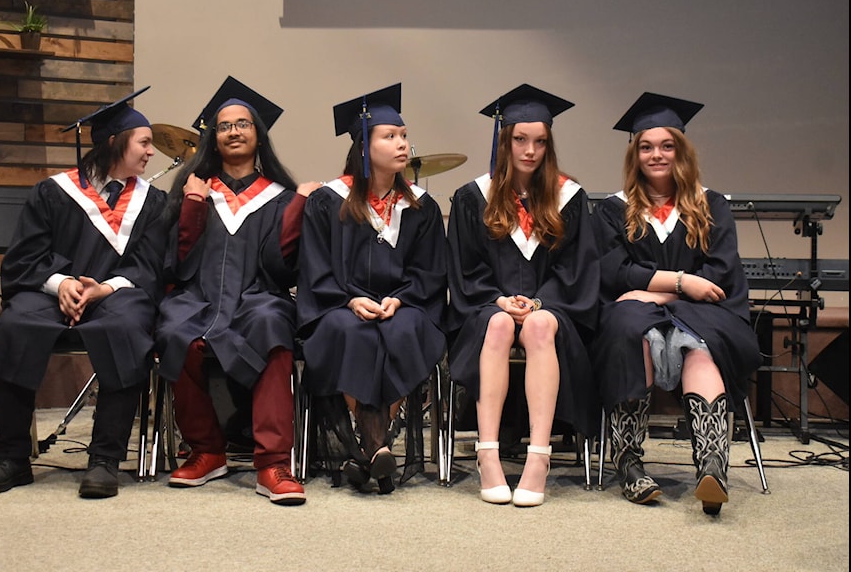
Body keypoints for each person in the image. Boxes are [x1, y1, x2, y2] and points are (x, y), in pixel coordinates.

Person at [0, 88, 168, 499]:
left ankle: (104, 460)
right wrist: (62, 283)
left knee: (128, 326)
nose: (152, 152)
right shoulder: (53, 192)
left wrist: (105, 287)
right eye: (144, 143)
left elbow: (151, 264)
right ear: (115, 142)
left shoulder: (153, 202)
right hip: (50, 291)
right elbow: (25, 257)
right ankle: (11, 457)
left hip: (117, 294)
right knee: (14, 324)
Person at [590, 92, 762, 516]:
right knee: (632, 331)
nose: (657, 155)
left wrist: (659, 291)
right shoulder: (614, 210)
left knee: (701, 343)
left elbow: (718, 277)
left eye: (667, 146)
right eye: (646, 147)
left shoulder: (711, 205)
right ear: (634, 154)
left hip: (702, 312)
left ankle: (711, 467)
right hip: (637, 312)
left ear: (681, 150)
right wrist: (685, 284)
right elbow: (613, 272)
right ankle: (629, 463)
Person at [154, 76, 320, 506]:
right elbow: (177, 264)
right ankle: (207, 451)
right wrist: (192, 206)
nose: (233, 131)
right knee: (175, 334)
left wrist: (299, 208)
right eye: (224, 125)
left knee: (272, 327)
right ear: (213, 137)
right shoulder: (196, 191)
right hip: (198, 298)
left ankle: (272, 463)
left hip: (258, 296)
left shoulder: (280, 197)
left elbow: (283, 268)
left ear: (258, 136)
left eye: (242, 124)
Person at [446, 84, 599, 507]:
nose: (530, 150)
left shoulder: (569, 197)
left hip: (552, 310)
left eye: (539, 142)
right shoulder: (472, 197)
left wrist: (538, 303)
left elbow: (576, 271)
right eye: (520, 140)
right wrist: (498, 300)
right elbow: (465, 268)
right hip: (486, 308)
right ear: (504, 140)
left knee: (540, 325)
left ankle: (539, 456)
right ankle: (488, 453)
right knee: (497, 325)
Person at [295, 83, 448, 494]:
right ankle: (377, 444)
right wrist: (349, 298)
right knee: (349, 330)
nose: (402, 144)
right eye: (390, 136)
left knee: (403, 331)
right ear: (364, 145)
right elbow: (314, 267)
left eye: (403, 135)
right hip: (341, 305)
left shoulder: (421, 206)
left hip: (406, 304)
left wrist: (401, 297)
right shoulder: (328, 201)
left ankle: (365, 449)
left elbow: (432, 271)